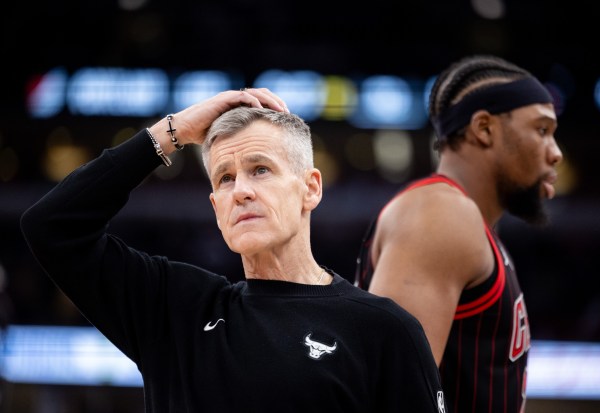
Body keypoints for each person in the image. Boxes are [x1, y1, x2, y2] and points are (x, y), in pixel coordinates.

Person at [21, 88, 445, 413]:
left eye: (260, 169)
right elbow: (51, 226)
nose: (240, 190)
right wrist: (172, 132)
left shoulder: (384, 330)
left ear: (310, 188)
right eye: (224, 178)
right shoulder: (176, 310)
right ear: (215, 208)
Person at [355, 55, 563, 413]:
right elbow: (389, 394)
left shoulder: (465, 223)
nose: (556, 153)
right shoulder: (441, 214)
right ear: (484, 128)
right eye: (542, 130)